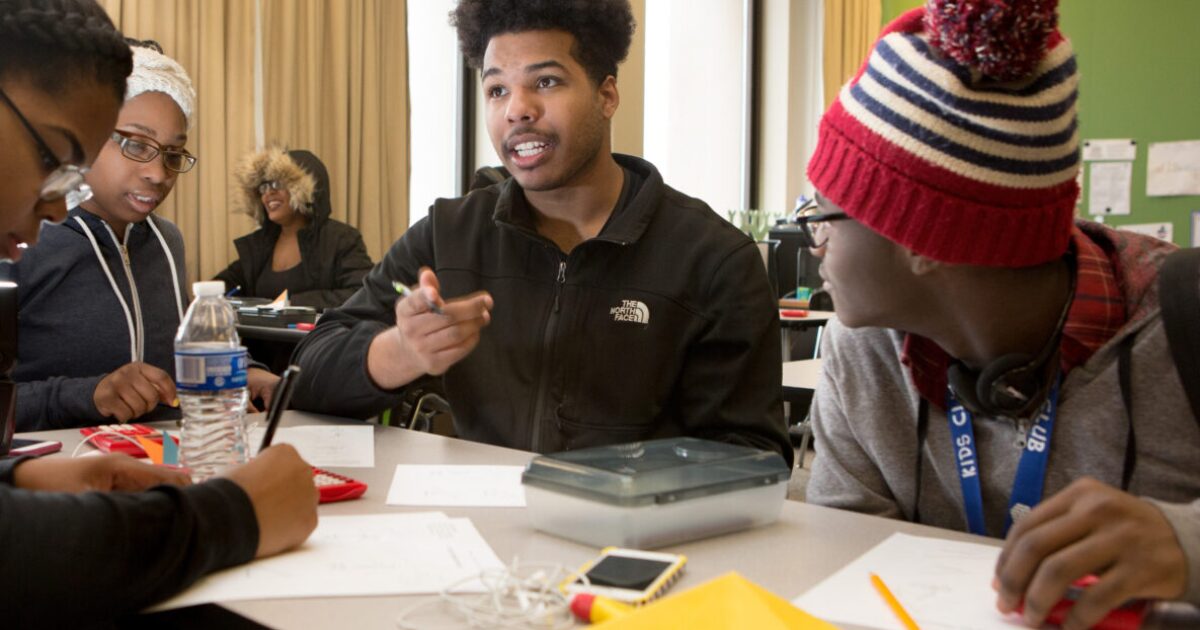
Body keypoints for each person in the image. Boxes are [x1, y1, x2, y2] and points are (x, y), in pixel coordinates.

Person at [801, 1, 1200, 627]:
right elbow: (843, 573)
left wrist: (1185, 542)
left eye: (823, 213)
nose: (813, 242)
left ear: (922, 237)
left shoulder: (1184, 322)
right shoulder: (862, 351)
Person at [291, 0, 791, 465]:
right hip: (478, 523)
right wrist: (401, 351)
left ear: (607, 95)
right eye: (497, 90)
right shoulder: (449, 234)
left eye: (546, 82)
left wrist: (616, 491)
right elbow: (307, 372)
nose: (517, 109)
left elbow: (753, 457)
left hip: (634, 527)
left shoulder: (713, 259)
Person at [0, 1, 316, 624]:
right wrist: (235, 514)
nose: (59, 209)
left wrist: (23, 485)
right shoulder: (31, 244)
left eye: (172, 153)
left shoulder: (164, 243)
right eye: (56, 157)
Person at [3, 41, 278, 431]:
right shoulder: (21, 240)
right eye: (136, 144)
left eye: (172, 153)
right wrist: (89, 395)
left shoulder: (166, 241)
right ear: (85, 136)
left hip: (164, 456)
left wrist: (246, 371)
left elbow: (180, 349)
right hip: (62, 463)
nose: (158, 173)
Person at [215, 146, 373, 310]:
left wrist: (292, 304)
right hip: (259, 328)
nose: (268, 193)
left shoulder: (341, 239)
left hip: (318, 327)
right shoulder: (260, 245)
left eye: (277, 183)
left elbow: (363, 293)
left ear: (305, 189)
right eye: (264, 187)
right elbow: (225, 285)